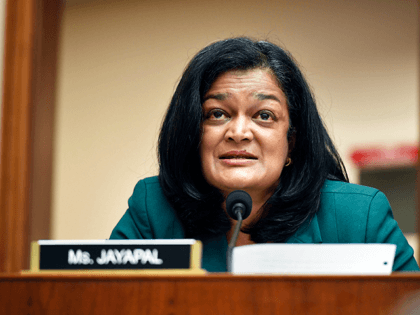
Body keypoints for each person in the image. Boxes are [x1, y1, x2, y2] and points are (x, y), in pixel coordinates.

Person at [110, 37, 419, 272]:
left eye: (264, 115)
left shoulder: (358, 217)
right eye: (217, 113)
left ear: (292, 142)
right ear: (193, 132)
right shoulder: (152, 209)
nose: (239, 132)